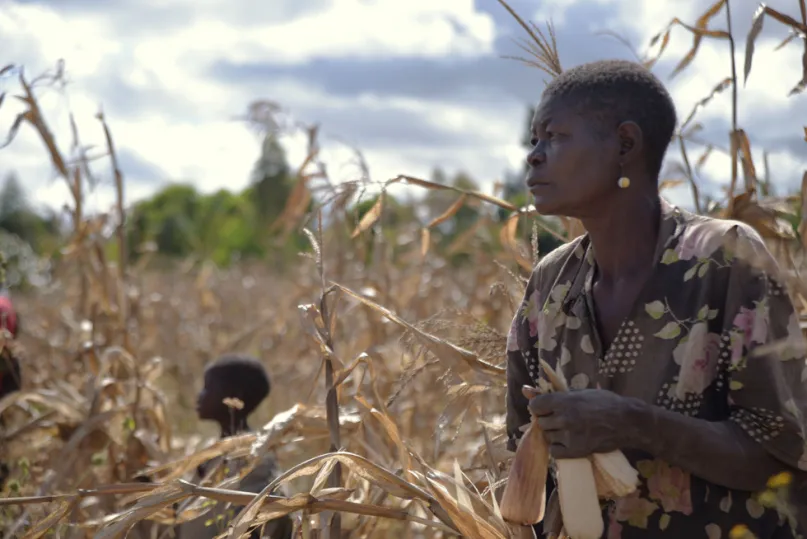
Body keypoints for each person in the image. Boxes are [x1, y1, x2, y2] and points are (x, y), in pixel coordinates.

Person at [505, 59, 807, 538]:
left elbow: (781, 454)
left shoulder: (722, 259)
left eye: (555, 136)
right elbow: (523, 455)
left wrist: (633, 423)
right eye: (534, 139)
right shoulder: (551, 282)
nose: (534, 156)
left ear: (626, 144)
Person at [176, 354, 293, 539]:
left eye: (208, 388)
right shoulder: (213, 453)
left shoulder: (252, 459)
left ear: (235, 396)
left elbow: (256, 519)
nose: (200, 396)